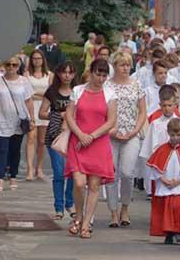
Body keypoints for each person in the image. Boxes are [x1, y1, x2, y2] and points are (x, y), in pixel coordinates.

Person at [65, 59, 118, 239]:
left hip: (98, 143)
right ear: (91, 72)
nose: (101, 78)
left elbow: (111, 121)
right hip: (77, 141)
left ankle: (87, 223)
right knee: (79, 183)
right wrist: (80, 134)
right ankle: (78, 217)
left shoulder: (110, 93)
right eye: (98, 74)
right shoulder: (78, 90)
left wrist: (92, 136)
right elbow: (69, 116)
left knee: (94, 185)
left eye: (104, 75)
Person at [104, 51, 147, 228]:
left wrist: (135, 130)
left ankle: (125, 208)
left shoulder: (136, 85)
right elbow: (101, 110)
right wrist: (110, 130)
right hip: (111, 134)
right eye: (121, 64)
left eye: (128, 64)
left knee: (127, 173)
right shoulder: (107, 86)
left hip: (131, 134)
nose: (125, 68)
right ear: (114, 66)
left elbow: (142, 111)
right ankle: (113, 211)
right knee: (111, 174)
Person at [0, 56, 34, 192]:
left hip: (18, 122)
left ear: (19, 66)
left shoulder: (24, 82)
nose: (11, 67)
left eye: (14, 65)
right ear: (4, 65)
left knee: (15, 150)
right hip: (1, 120)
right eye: (8, 64)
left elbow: (29, 101)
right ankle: (0, 178)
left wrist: (32, 119)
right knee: (2, 150)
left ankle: (13, 176)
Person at [40, 62, 76, 220]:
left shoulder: (78, 92)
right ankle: (59, 207)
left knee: (74, 173)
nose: (67, 75)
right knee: (59, 173)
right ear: (59, 74)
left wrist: (70, 118)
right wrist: (58, 115)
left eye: (70, 72)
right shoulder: (52, 92)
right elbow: (42, 113)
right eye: (64, 72)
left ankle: (70, 203)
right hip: (55, 136)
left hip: (74, 135)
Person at [147, 117, 180, 245]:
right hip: (166, 184)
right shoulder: (162, 149)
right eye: (173, 135)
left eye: (178, 135)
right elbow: (154, 166)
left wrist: (179, 180)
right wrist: (163, 179)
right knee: (167, 210)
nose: (175, 137)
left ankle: (179, 231)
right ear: (168, 133)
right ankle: (169, 233)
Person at [25, 50, 53, 181]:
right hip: (30, 108)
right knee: (31, 138)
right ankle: (30, 169)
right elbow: (27, 94)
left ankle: (39, 168)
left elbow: (51, 94)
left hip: (44, 108)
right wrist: (40, 95)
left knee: (42, 141)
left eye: (39, 58)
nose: (37, 61)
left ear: (43, 60)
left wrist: (39, 95)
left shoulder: (49, 75)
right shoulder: (26, 75)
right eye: (34, 58)